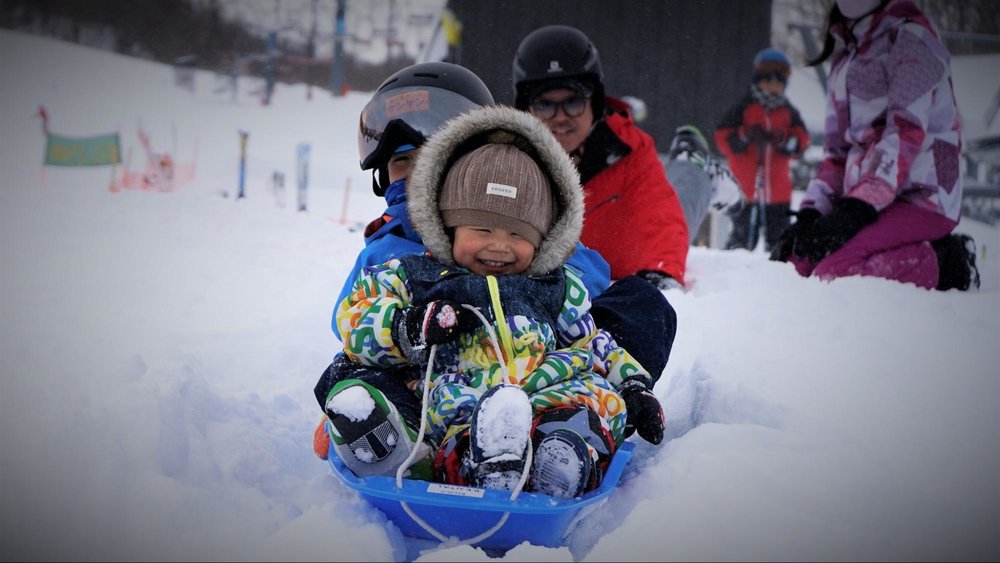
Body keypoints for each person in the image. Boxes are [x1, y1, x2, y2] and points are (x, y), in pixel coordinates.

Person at [313, 62, 676, 477]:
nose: (415, 175)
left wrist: (536, 270)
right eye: (402, 162)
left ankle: (565, 438)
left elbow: (586, 290)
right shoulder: (391, 249)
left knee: (641, 304)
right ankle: (386, 433)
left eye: (431, 158)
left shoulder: (515, 218)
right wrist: (408, 325)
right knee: (344, 370)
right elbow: (351, 318)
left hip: (535, 353)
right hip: (434, 372)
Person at [769, 0, 980, 291]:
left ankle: (945, 262)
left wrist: (856, 209)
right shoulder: (846, 53)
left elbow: (905, 134)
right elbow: (837, 155)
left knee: (834, 273)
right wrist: (812, 213)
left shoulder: (913, 39)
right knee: (797, 267)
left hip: (923, 198)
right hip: (868, 198)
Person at [511, 24, 689, 290]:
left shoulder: (628, 148)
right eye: (544, 105)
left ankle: (691, 159)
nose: (560, 117)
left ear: (594, 104)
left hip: (630, 261)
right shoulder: (504, 159)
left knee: (688, 196)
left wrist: (660, 273)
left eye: (573, 102)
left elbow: (661, 216)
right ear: (526, 111)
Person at [714, 47, 810, 252]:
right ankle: (733, 271)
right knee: (742, 239)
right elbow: (723, 139)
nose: (772, 87)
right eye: (768, 82)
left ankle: (776, 275)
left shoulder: (788, 111)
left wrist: (784, 141)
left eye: (778, 83)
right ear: (758, 81)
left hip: (778, 190)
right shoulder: (744, 107)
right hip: (745, 188)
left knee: (779, 240)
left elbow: (801, 140)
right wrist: (745, 135)